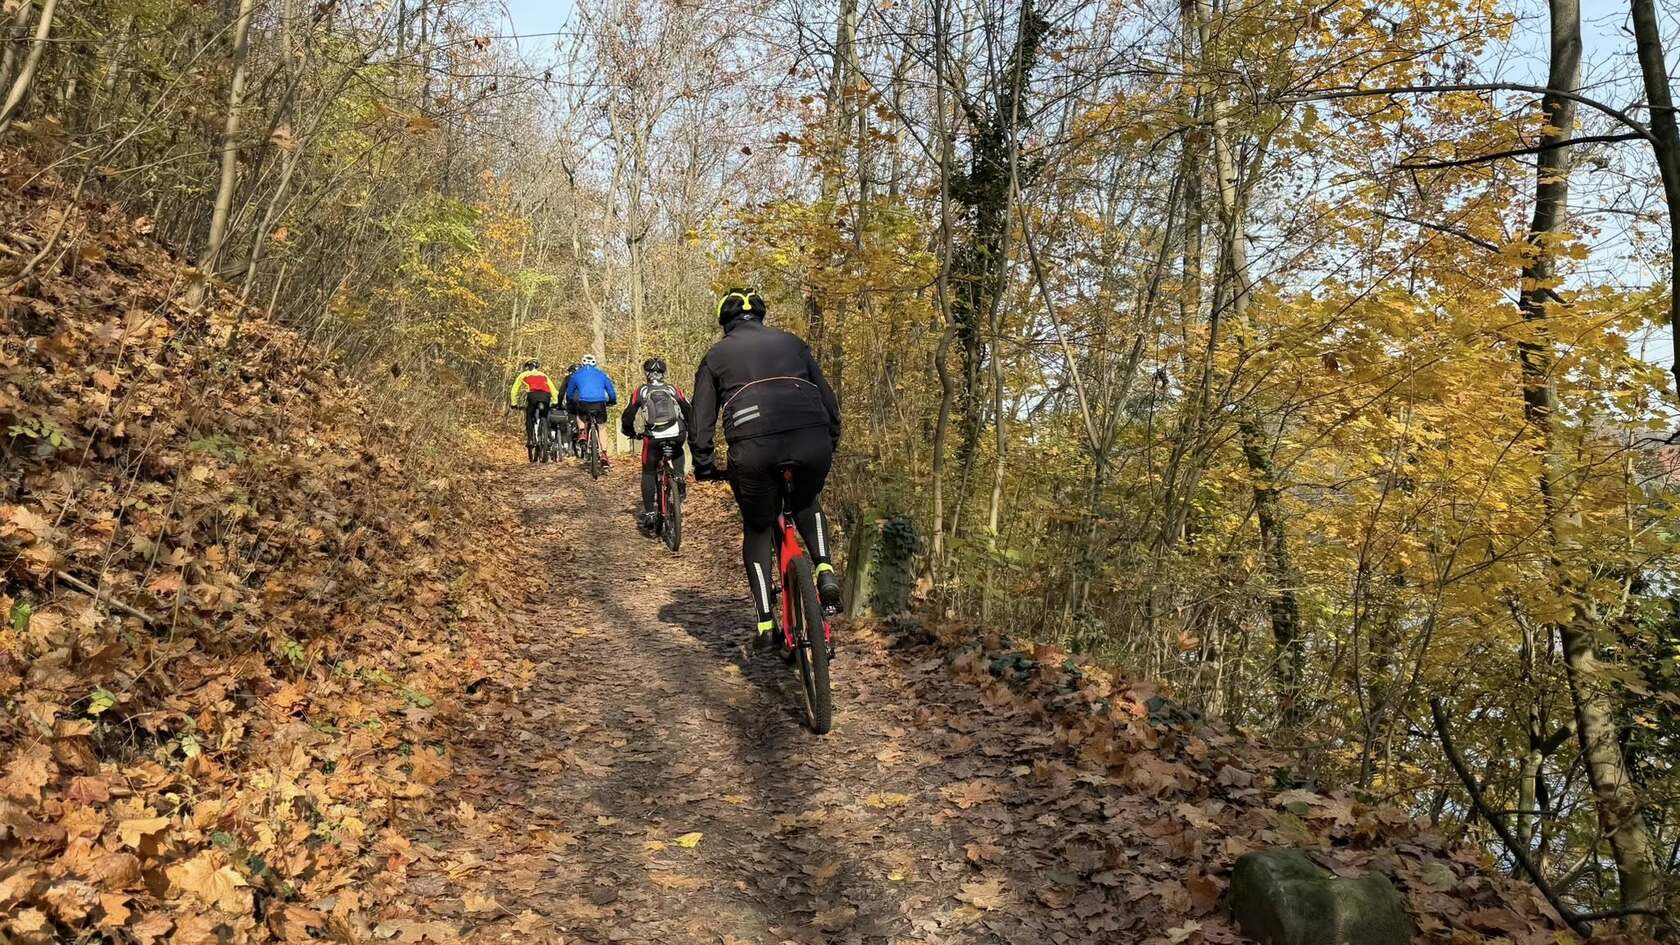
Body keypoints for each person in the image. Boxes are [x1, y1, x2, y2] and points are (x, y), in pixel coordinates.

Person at [690, 289, 842, 649]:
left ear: (724, 322)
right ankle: (824, 567)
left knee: (758, 527)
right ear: (761, 315)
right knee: (806, 501)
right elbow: (829, 400)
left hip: (754, 449)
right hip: (811, 437)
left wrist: (704, 463)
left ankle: (764, 622)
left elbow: (700, 420)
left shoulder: (716, 356)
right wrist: (829, 440)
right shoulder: (793, 343)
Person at [620, 357, 691, 534]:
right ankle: (679, 477)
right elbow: (687, 408)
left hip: (653, 437)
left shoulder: (641, 391)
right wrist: (690, 427)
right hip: (677, 433)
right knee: (678, 450)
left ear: (647, 374)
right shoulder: (673, 389)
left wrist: (629, 432)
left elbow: (628, 415)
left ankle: (650, 513)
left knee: (648, 471)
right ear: (663, 373)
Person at [564, 354, 617, 463]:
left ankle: (582, 432)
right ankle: (604, 453)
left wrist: (570, 401)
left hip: (583, 402)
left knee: (579, 414)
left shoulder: (576, 375)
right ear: (595, 363)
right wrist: (612, 400)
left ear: (582, 363)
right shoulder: (602, 374)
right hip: (599, 403)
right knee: (602, 427)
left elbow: (569, 392)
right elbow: (611, 390)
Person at [508, 359, 556, 452]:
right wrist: (555, 401)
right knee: (546, 415)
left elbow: (514, 390)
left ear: (527, 367)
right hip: (546, 396)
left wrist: (514, 403)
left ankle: (530, 440)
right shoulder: (544, 375)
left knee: (529, 416)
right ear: (536, 367)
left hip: (533, 396)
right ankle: (549, 435)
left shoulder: (523, 375)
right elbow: (553, 389)